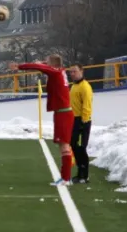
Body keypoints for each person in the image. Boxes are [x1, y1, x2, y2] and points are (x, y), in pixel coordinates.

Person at [9, 54, 74, 186]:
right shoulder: (60, 70)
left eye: (47, 63)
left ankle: (66, 178)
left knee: (64, 146)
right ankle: (66, 177)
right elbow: (45, 64)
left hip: (63, 114)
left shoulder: (54, 72)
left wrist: (19, 66)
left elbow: (39, 67)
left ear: (52, 65)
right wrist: (44, 61)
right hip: (62, 112)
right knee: (63, 145)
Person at [69, 64, 93, 184]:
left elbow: (87, 105)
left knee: (81, 147)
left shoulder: (85, 87)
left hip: (82, 121)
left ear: (81, 71)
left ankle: (85, 175)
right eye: (71, 72)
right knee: (73, 145)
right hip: (74, 120)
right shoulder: (74, 86)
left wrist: (84, 121)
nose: (72, 73)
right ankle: (80, 173)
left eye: (75, 71)